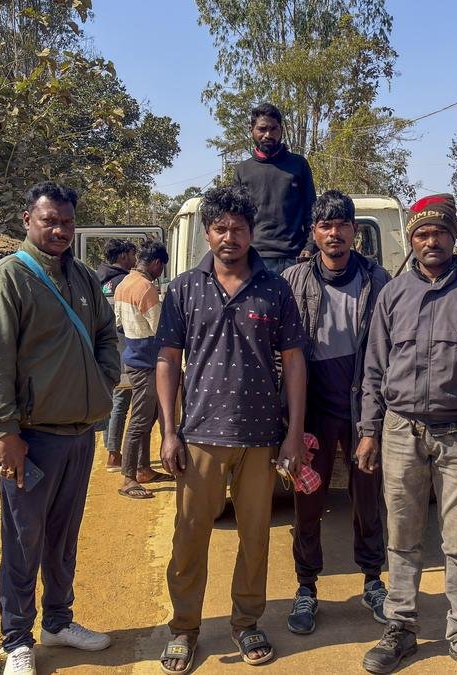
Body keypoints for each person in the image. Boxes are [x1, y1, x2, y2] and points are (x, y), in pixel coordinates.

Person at [0, 182, 124, 675]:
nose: (59, 230)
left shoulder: (81, 277)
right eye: (49, 220)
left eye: (67, 222)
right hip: (31, 439)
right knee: (23, 540)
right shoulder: (6, 279)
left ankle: (58, 621)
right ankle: (17, 639)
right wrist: (5, 431)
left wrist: (104, 378)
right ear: (27, 220)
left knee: (63, 537)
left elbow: (106, 334)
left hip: (79, 434)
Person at [155, 186, 308, 673]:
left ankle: (246, 622)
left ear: (251, 232)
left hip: (261, 437)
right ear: (207, 233)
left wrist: (293, 432)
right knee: (189, 536)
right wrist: (168, 431)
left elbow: (294, 362)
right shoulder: (183, 288)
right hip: (199, 434)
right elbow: (167, 360)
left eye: (238, 228)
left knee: (256, 537)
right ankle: (184, 628)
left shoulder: (274, 288)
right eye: (220, 228)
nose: (230, 237)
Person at [356, 194, 457, 675]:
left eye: (439, 232)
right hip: (401, 430)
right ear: (412, 240)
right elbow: (374, 369)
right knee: (402, 535)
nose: (431, 241)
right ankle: (401, 627)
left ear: (453, 236)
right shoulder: (393, 293)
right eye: (422, 233)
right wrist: (368, 430)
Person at [280, 190, 391, 634]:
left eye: (342, 224)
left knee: (368, 498)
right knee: (308, 501)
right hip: (313, 408)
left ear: (354, 231)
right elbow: (281, 351)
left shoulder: (377, 279)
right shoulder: (293, 280)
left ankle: (373, 581)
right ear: (314, 232)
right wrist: (286, 417)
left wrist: (378, 416)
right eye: (326, 226)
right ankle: (306, 586)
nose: (334, 233)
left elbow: (390, 348)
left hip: (364, 405)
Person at [112, 239, 172, 499]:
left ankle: (143, 468)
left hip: (134, 356)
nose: (161, 272)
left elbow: (118, 323)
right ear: (156, 263)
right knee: (139, 420)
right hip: (147, 363)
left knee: (147, 416)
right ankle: (129, 478)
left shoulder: (124, 283)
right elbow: (161, 329)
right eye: (162, 267)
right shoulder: (146, 288)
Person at [233, 101, 317, 275]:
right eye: (262, 129)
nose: (268, 135)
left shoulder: (299, 165)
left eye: (273, 129)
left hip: (295, 258)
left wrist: (310, 246)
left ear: (281, 130)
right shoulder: (242, 170)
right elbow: (236, 218)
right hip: (254, 259)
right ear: (252, 130)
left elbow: (312, 211)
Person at [96, 238, 137, 471]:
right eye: (132, 254)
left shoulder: (98, 279)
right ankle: (113, 455)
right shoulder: (125, 282)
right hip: (122, 348)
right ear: (123, 256)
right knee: (121, 400)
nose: (135, 259)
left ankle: (109, 447)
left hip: (102, 349)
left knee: (111, 399)